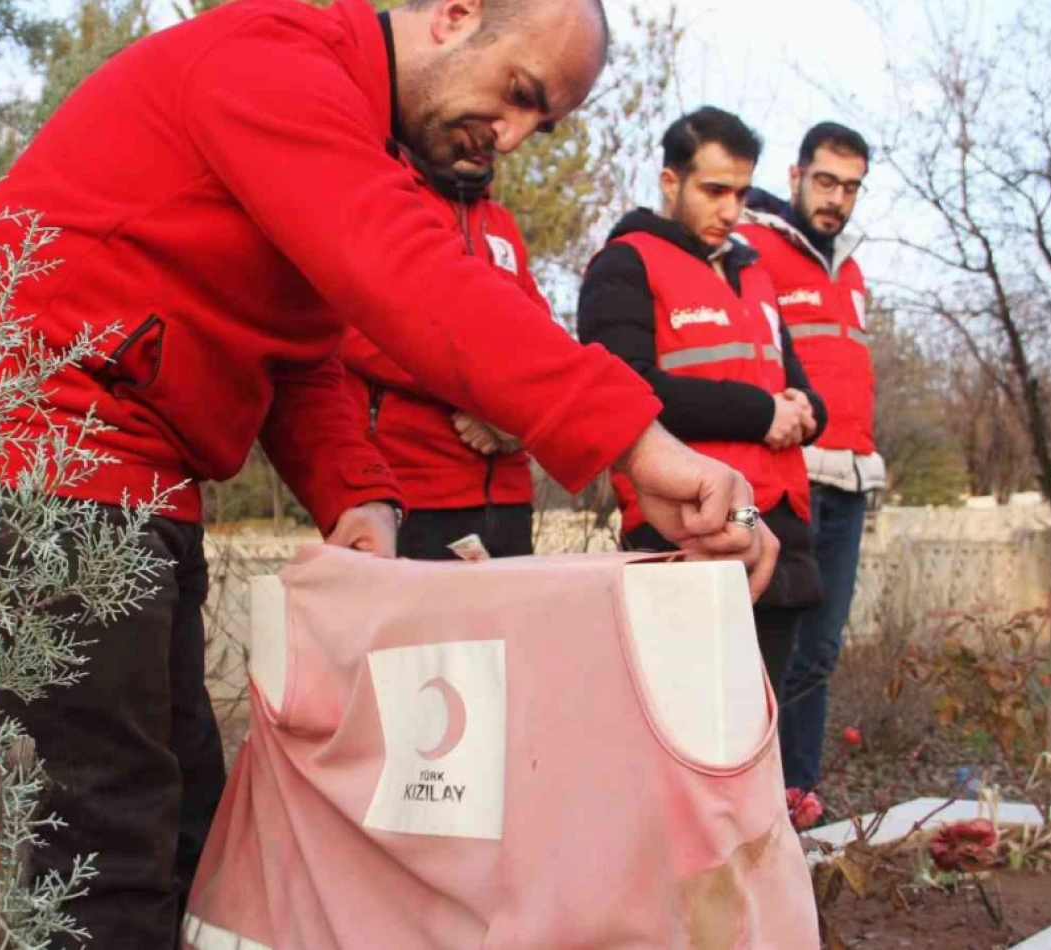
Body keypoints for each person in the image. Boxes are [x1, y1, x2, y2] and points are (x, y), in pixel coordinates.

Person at [0, 1, 777, 946]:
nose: (507, 138)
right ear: (456, 14)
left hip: (127, 483)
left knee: (183, 821)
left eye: (537, 126)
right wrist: (640, 441)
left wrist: (357, 497)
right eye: (518, 95)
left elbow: (303, 353)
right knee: (109, 845)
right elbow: (406, 275)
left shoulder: (344, 130)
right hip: (25, 460)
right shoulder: (273, 63)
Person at [578, 106, 826, 689]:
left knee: (767, 716)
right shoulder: (625, 264)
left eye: (741, 193)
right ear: (671, 181)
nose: (731, 210)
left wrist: (808, 412)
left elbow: (797, 383)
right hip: (693, 525)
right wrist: (763, 413)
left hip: (782, 523)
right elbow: (626, 393)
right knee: (699, 712)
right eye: (715, 190)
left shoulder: (754, 272)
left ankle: (786, 788)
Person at [738, 121, 880, 792]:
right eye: (826, 182)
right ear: (795, 178)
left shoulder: (851, 267)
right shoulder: (752, 244)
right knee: (764, 649)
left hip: (850, 481)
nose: (838, 199)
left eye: (852, 188)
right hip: (786, 479)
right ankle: (749, 806)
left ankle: (800, 800)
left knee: (820, 654)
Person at [340, 148, 545, 561]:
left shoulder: (500, 223)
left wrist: (514, 413)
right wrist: (483, 395)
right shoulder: (387, 203)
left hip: (508, 497)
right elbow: (356, 329)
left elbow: (539, 335)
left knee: (515, 626)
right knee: (425, 628)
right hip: (414, 492)